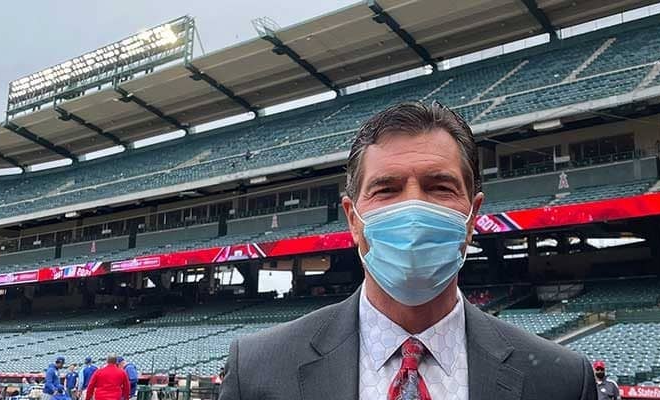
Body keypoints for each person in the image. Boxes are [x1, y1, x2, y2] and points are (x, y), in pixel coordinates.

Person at [218, 102, 597, 400]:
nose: (413, 209)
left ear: (472, 217)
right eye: (386, 189)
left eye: (439, 187)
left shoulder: (561, 381)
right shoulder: (257, 371)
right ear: (353, 219)